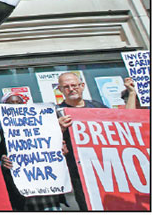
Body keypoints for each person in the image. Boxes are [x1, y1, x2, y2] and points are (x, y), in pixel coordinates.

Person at [0, 92, 66, 211]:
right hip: (20, 190)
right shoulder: (1, 132)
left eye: (19, 103)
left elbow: (52, 145)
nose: (15, 106)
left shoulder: (41, 125)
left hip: (46, 188)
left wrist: (58, 150)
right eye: (11, 103)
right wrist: (2, 161)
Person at [56, 72, 107, 211]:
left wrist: (131, 93)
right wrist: (58, 128)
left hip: (106, 166)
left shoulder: (97, 107)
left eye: (74, 85)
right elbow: (49, 142)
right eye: (66, 87)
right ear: (60, 90)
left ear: (82, 86)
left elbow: (123, 122)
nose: (71, 89)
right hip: (79, 172)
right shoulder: (56, 112)